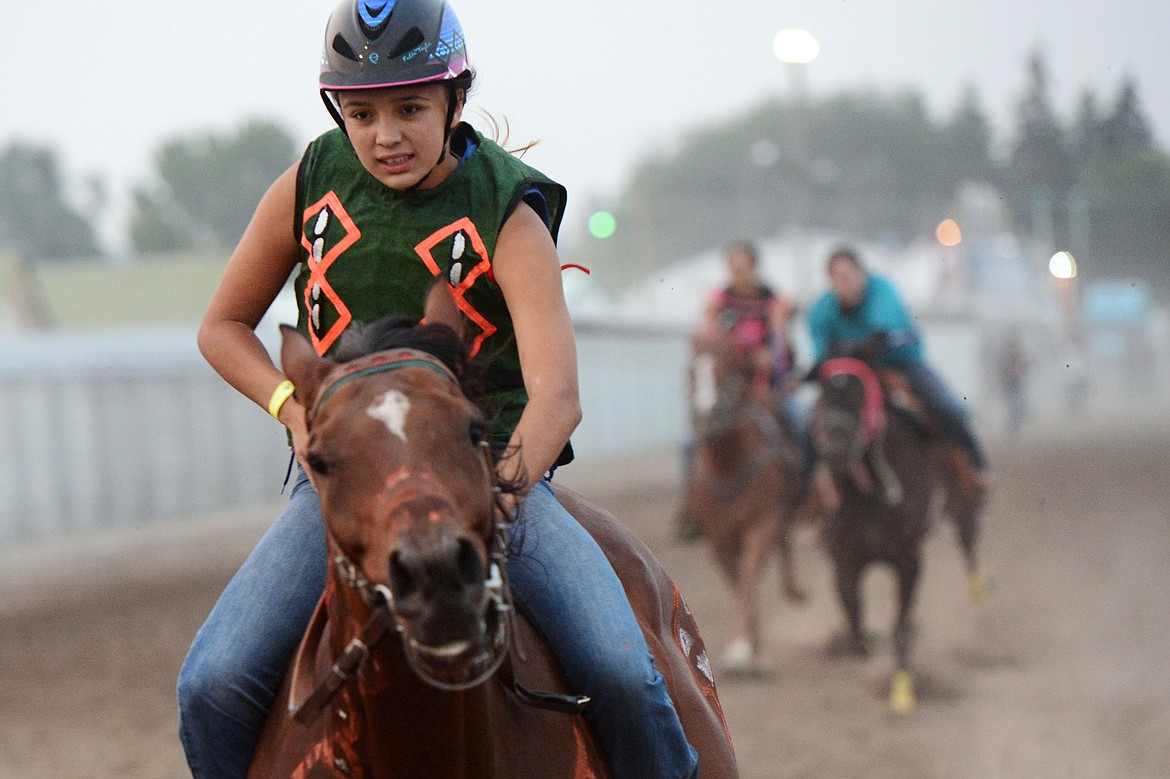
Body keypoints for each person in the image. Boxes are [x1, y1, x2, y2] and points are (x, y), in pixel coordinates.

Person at [176, 2, 699, 777]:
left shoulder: (509, 212)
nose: (386, 133)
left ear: (454, 99)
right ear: (337, 111)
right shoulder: (307, 184)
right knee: (210, 683)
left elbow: (556, 395)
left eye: (410, 107)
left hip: (490, 485)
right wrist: (290, 408)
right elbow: (221, 325)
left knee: (622, 670)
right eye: (362, 112)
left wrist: (496, 497)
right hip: (345, 487)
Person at [806, 246, 987, 476]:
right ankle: (809, 485)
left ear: (863, 273)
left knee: (947, 409)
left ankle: (976, 468)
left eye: (850, 274)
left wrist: (846, 350)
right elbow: (822, 355)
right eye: (838, 277)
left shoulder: (882, 291)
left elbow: (879, 338)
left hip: (901, 364)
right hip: (852, 376)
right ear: (830, 281)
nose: (846, 282)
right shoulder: (822, 310)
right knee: (811, 422)